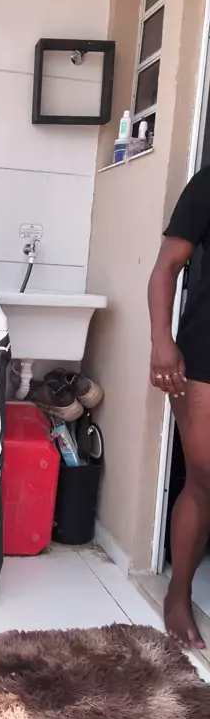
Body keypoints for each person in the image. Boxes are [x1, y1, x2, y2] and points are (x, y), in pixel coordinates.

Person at [148, 165, 210, 650]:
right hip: (206, 354)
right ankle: (178, 593)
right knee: (205, 478)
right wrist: (162, 342)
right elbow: (166, 267)